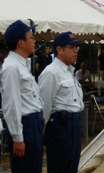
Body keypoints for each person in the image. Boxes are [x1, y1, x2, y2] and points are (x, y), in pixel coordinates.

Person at [1, 20, 44, 173]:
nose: (34, 41)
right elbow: (11, 105)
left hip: (33, 123)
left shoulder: (21, 64)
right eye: (31, 37)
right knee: (26, 168)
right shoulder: (12, 67)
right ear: (21, 43)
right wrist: (17, 137)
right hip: (26, 125)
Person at [39, 31, 84, 173]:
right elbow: (44, 106)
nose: (76, 51)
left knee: (71, 167)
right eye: (71, 47)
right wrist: (41, 136)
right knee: (60, 167)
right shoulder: (51, 72)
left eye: (77, 47)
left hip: (73, 124)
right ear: (59, 49)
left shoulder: (69, 71)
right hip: (60, 126)